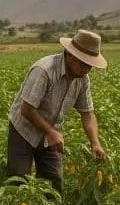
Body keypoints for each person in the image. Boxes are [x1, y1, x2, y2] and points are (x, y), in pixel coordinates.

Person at [7, 29, 108, 192]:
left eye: (90, 65)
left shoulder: (82, 79)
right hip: (23, 130)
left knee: (53, 182)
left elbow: (87, 114)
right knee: (18, 181)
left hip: (50, 133)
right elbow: (27, 109)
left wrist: (95, 143)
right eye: (83, 63)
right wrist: (50, 132)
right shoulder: (45, 70)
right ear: (69, 55)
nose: (86, 69)